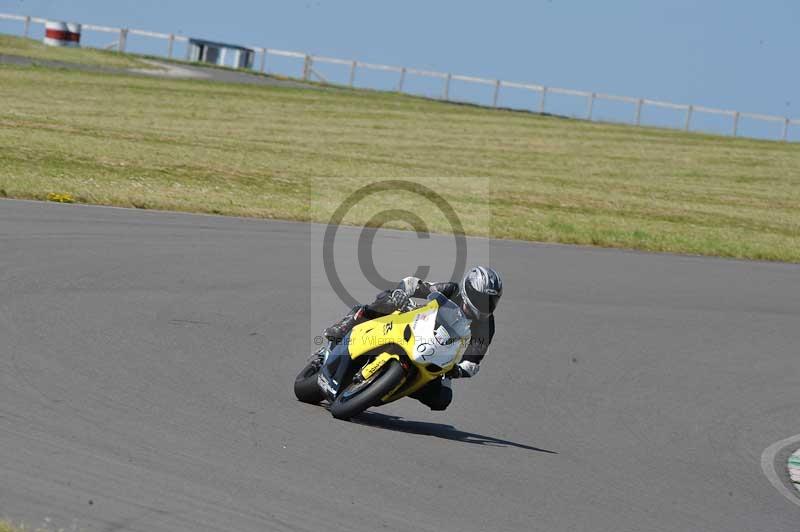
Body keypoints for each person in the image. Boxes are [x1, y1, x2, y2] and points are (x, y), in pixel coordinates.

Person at [322, 266, 503, 411]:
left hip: (440, 356)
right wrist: (402, 292)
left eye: (491, 301)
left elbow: (474, 360)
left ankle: (390, 386)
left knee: (442, 399)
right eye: (481, 298)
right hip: (415, 324)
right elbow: (415, 284)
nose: (485, 305)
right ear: (468, 290)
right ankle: (348, 323)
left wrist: (458, 371)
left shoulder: (487, 326)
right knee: (388, 299)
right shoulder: (451, 289)